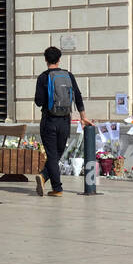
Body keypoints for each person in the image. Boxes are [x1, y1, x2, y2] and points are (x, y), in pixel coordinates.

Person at [34, 46, 92, 197]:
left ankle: (57, 188)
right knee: (57, 153)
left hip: (49, 121)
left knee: (52, 155)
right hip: (65, 121)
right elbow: (78, 96)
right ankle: (43, 177)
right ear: (59, 59)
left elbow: (38, 102)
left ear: (46, 60)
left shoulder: (43, 77)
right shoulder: (68, 75)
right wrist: (83, 116)